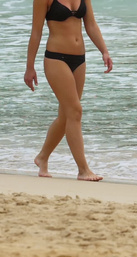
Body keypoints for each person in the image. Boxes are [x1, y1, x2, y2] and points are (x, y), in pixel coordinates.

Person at [24, 0, 113, 181]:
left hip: (79, 59)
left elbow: (91, 24)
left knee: (67, 115)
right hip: (56, 58)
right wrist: (30, 67)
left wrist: (104, 50)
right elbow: (36, 31)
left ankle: (42, 157)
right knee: (75, 110)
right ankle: (83, 170)